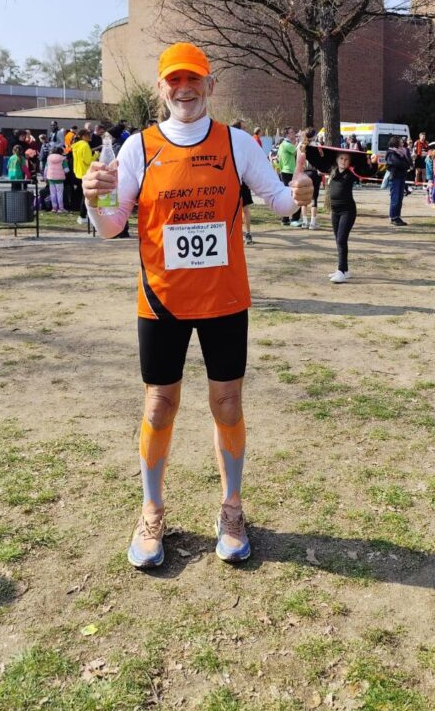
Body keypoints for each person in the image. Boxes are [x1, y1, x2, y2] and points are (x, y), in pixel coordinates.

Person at [82, 42, 312, 569]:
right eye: (173, 81)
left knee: (227, 404)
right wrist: (93, 200)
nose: (184, 89)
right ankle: (151, 509)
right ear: (160, 88)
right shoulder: (137, 147)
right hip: (161, 300)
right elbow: (113, 227)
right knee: (159, 404)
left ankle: (232, 509)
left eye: (194, 80)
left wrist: (300, 194)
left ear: (210, 85)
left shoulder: (237, 143)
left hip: (224, 299)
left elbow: (279, 202)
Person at [327, 151, 357, 282]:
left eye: (346, 159)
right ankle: (344, 270)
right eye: (341, 158)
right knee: (339, 240)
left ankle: (341, 270)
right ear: (337, 159)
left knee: (341, 239)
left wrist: (371, 163)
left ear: (349, 162)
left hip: (347, 211)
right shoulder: (333, 173)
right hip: (335, 211)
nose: (343, 161)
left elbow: (367, 172)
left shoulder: (350, 175)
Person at [71, 128, 96, 224]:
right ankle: (83, 215)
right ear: (83, 136)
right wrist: (96, 155)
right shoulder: (85, 145)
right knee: (86, 196)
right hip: (85, 173)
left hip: (78, 172)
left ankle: (82, 215)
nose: (90, 136)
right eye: (88, 135)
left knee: (82, 195)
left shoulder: (76, 146)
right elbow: (88, 161)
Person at [277, 128, 301, 226]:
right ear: (287, 135)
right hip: (289, 172)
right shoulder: (287, 145)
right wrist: (300, 141)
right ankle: (294, 219)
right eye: (292, 132)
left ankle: (285, 218)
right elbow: (298, 152)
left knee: (287, 195)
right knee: (295, 194)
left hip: (285, 172)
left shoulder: (283, 144)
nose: (294, 133)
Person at [385, 135, 410, 225]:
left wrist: (405, 164)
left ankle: (397, 216)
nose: (402, 142)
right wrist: (405, 164)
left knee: (400, 198)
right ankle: (393, 217)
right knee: (395, 198)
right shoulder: (391, 152)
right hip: (395, 177)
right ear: (395, 142)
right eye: (400, 141)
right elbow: (398, 163)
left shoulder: (403, 152)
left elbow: (408, 163)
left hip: (402, 176)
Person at [45, 146, 67, 212]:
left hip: (51, 177)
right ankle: (61, 208)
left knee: (53, 193)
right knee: (59, 193)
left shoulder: (49, 158)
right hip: (59, 178)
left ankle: (54, 208)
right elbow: (66, 170)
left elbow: (46, 168)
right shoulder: (63, 159)